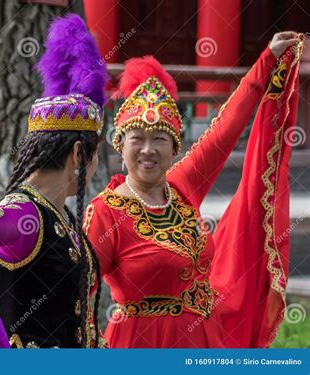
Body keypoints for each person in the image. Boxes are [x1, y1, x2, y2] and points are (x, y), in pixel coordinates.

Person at [84, 32, 304, 348]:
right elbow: (79, 292)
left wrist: (266, 61)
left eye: (159, 139)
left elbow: (223, 131)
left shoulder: (182, 187)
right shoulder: (106, 211)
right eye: (137, 139)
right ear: (120, 147)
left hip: (204, 340)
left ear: (174, 148)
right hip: (141, 346)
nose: (148, 150)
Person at [0, 14, 108, 348]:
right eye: (97, 157)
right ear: (79, 154)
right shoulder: (27, 210)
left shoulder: (62, 217)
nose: (95, 167)